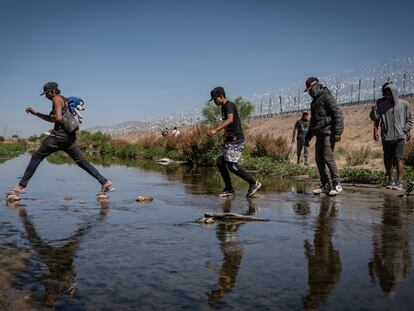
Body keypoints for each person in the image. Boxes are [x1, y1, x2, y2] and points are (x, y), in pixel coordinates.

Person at [10, 82, 112, 195]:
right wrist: (36, 113)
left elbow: (57, 118)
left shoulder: (56, 99)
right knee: (81, 161)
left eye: (47, 93)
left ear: (52, 92)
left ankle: (21, 186)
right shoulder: (64, 100)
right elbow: (54, 118)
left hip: (59, 137)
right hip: (69, 136)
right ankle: (104, 182)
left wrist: (52, 116)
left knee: (36, 157)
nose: (46, 96)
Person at [207, 87, 261, 197]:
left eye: (215, 99)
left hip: (236, 140)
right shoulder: (223, 107)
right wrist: (225, 135)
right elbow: (229, 125)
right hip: (229, 140)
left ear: (221, 96)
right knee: (220, 162)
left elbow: (230, 120)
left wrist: (216, 130)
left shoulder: (229, 105)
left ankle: (253, 183)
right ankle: (229, 189)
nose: (214, 102)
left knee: (232, 166)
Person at [304, 77, 344, 196]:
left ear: (316, 86)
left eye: (311, 89)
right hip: (319, 134)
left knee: (328, 158)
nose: (310, 92)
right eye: (308, 91)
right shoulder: (314, 102)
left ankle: (337, 184)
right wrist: (308, 137)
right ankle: (325, 184)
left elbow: (337, 114)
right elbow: (313, 121)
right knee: (319, 160)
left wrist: (338, 132)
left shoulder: (327, 97)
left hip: (328, 133)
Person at [370, 83, 413, 190]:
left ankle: (399, 181)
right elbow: (375, 118)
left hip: (399, 137)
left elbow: (409, 119)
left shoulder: (404, 104)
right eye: (386, 93)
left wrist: (405, 130)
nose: (387, 95)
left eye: (389, 93)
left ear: (394, 92)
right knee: (388, 160)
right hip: (387, 137)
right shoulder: (382, 106)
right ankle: (390, 180)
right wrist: (373, 111)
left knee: (399, 159)